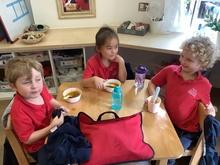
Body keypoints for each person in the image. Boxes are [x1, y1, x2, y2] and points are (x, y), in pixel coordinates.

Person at [147, 36, 217, 164]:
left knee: (169, 155)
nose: (183, 61)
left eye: (189, 60)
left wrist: (211, 111)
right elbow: (152, 83)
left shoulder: (204, 85)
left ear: (202, 64)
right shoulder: (170, 71)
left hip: (187, 131)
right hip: (167, 121)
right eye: (182, 56)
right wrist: (155, 98)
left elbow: (207, 106)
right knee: (149, 141)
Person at [5, 57, 69, 164]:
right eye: (26, 82)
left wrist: (60, 106)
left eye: (38, 79)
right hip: (39, 146)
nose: (35, 86)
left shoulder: (40, 88)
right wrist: (51, 127)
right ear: (13, 86)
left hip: (52, 128)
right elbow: (27, 139)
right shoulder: (19, 111)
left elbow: (50, 100)